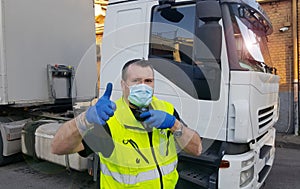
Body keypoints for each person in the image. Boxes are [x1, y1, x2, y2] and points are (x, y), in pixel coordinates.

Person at [51, 59, 202, 189]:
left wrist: (174, 124)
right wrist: (85, 119)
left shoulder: (166, 110)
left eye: (148, 81)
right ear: (123, 85)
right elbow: (57, 147)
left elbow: (197, 149)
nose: (143, 86)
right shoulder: (109, 120)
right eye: (136, 81)